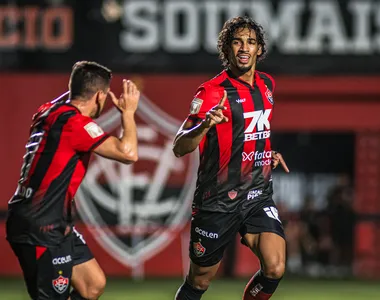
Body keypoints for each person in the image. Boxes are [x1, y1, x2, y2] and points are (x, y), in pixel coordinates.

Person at [173, 16, 289, 300]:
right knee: (198, 282)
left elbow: (250, 132)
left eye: (251, 42)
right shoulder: (212, 91)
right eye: (236, 42)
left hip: (257, 194)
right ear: (226, 50)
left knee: (275, 267)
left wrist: (264, 153)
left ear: (260, 49)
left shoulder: (267, 85)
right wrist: (204, 126)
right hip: (218, 200)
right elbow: (179, 146)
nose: (244, 48)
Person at [6, 61, 140, 300]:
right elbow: (128, 153)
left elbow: (73, 94)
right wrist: (127, 113)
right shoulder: (76, 124)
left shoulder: (46, 110)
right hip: (41, 225)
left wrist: (81, 81)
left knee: (92, 285)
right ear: (100, 96)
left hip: (50, 220)